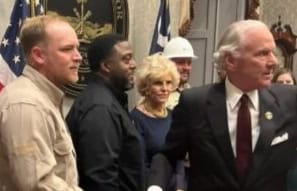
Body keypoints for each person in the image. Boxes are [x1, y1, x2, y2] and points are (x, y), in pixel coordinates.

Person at [147, 20, 297, 191]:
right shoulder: (194, 103)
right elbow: (168, 155)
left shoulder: (290, 99)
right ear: (231, 61)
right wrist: (155, 187)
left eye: (273, 53)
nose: (274, 62)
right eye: (263, 54)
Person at [0, 15, 82, 190]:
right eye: (67, 49)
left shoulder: (44, 98)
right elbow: (37, 184)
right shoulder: (26, 104)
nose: (78, 57)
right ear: (38, 55)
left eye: (77, 48)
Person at [66, 33, 145, 191]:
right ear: (106, 66)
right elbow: (100, 178)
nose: (134, 65)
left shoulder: (108, 100)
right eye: (126, 59)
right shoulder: (100, 108)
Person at [130, 54, 185, 191]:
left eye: (168, 82)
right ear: (146, 87)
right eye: (158, 83)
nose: (165, 88)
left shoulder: (173, 116)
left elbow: (179, 157)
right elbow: (140, 165)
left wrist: (180, 186)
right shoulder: (135, 119)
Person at [163, 37, 197, 109]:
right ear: (167, 63)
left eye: (189, 63)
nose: (186, 68)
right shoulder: (160, 95)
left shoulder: (189, 90)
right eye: (181, 62)